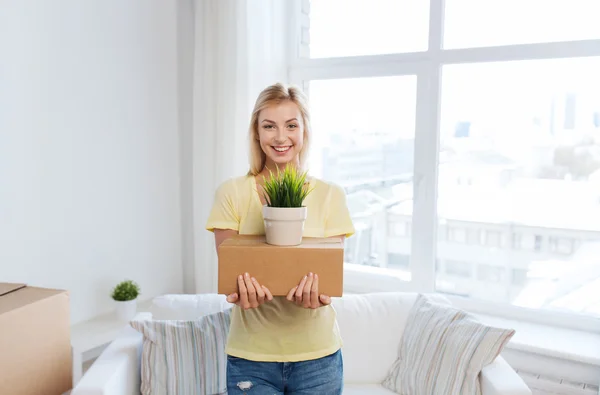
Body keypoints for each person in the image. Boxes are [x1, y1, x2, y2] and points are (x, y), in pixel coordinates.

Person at [206, 82, 355, 395]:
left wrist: (319, 295)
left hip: (318, 357)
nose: (281, 137)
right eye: (269, 126)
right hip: (251, 358)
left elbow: (331, 278)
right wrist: (242, 294)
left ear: (304, 131)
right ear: (256, 133)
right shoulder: (231, 193)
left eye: (291, 125)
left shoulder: (330, 196)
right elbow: (230, 274)